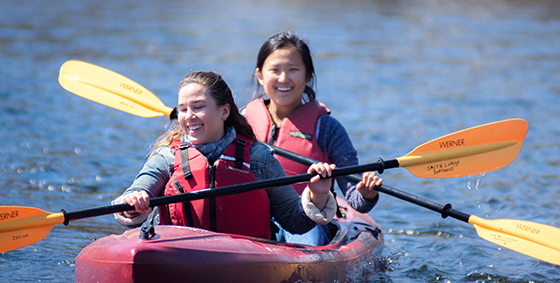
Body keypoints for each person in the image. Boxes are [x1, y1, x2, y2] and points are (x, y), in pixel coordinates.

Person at [113, 70, 339, 240]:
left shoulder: (257, 156)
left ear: (224, 111)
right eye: (183, 109)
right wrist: (134, 200)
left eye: (198, 107)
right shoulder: (167, 157)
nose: (188, 117)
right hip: (182, 256)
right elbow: (139, 188)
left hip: (248, 262)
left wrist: (317, 196)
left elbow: (294, 221)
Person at [244, 31, 383, 244]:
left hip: (307, 217)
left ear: (308, 76)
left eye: (293, 70)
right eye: (275, 70)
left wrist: (367, 193)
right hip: (249, 214)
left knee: (308, 241)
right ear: (260, 76)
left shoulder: (327, 128)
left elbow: (356, 201)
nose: (283, 79)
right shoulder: (241, 122)